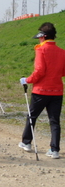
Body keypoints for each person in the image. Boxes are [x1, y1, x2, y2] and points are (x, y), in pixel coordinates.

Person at [19, 22, 65, 159]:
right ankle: (54, 149)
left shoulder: (41, 50)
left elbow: (39, 71)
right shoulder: (62, 52)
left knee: (32, 117)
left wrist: (27, 80)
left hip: (40, 91)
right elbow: (63, 71)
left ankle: (26, 142)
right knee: (54, 120)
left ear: (43, 37)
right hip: (57, 91)